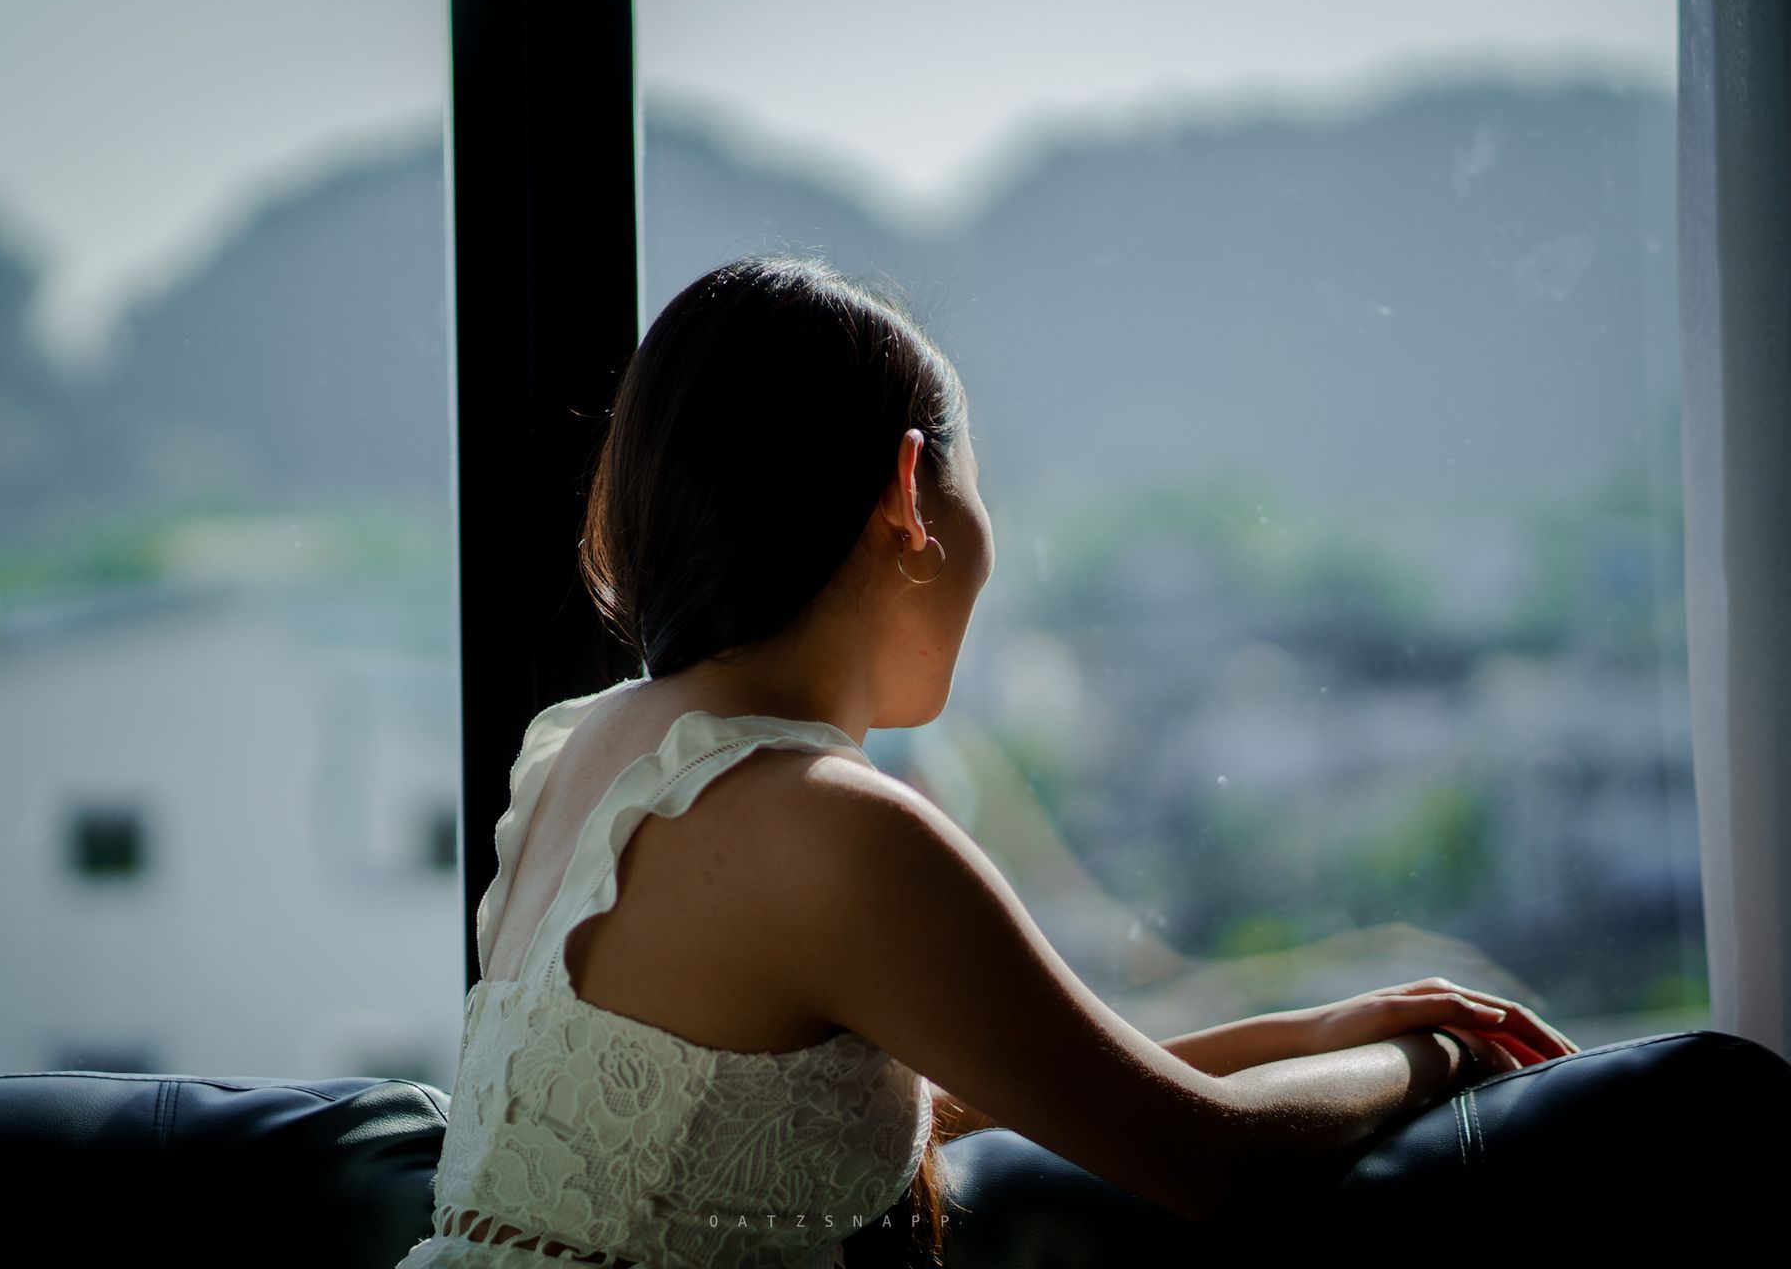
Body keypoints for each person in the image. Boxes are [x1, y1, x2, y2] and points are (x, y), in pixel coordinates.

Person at [392, 253, 1592, 1269]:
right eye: (978, 489)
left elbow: (970, 1078)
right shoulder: (830, 824)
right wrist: (1436, 1059)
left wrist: (1313, 1028)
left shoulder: (584, 748)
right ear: (909, 494)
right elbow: (1210, 1156)